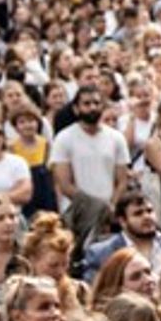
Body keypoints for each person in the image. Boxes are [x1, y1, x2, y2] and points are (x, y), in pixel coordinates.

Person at [52, 85, 132, 246]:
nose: (92, 107)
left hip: (110, 214)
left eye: (96, 103)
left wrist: (112, 207)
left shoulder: (116, 138)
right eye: (86, 104)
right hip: (77, 214)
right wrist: (96, 208)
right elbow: (65, 184)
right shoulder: (64, 138)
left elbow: (122, 180)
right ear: (76, 108)